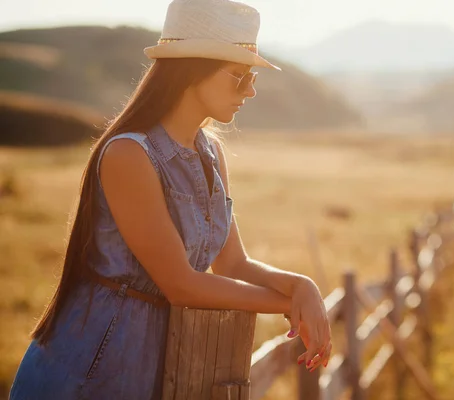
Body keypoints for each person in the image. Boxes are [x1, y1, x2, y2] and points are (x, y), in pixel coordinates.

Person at [9, 0, 332, 398]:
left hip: (158, 359)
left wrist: (303, 286)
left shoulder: (210, 154)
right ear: (191, 71)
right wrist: (290, 303)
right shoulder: (129, 155)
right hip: (92, 362)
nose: (250, 91)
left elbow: (233, 263)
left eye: (252, 77)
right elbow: (182, 284)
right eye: (238, 76)